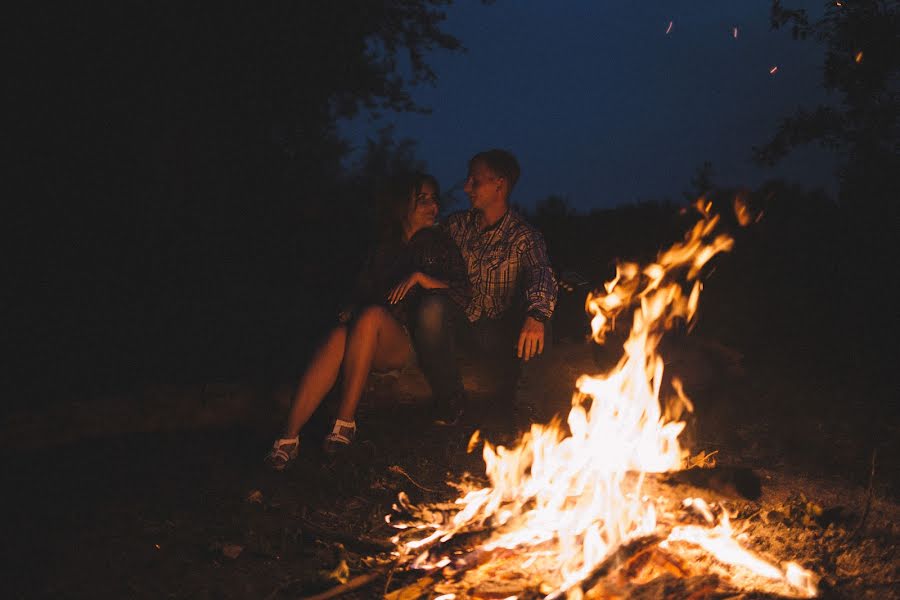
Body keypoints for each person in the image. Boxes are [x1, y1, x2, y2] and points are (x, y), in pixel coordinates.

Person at [265, 172, 470, 470]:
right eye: (422, 199)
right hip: (366, 333)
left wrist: (421, 278)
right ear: (403, 204)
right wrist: (349, 308)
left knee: (372, 315)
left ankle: (345, 423)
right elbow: (362, 291)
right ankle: (287, 439)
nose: (432, 206)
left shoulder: (440, 245)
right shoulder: (384, 246)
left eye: (434, 199)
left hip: (404, 340)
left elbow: (465, 291)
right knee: (337, 334)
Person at [419, 149, 558, 426]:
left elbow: (541, 271)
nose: (465, 186)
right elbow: (422, 242)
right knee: (431, 308)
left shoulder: (523, 236)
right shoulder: (457, 226)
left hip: (499, 331)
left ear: (500, 184)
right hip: (461, 325)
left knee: (541, 319)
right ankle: (451, 401)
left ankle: (526, 409)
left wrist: (537, 314)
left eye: (475, 180)